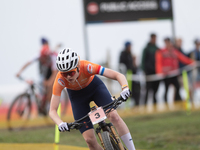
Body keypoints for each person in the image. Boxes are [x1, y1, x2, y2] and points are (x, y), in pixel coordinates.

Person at [49, 48, 136, 150]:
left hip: (95, 88)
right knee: (89, 141)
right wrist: (60, 123)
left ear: (77, 67)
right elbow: (52, 110)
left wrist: (125, 88)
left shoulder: (87, 67)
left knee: (113, 116)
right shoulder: (59, 80)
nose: (68, 77)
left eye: (71, 73)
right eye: (64, 74)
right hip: (77, 98)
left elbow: (118, 75)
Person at [16, 38, 58, 115]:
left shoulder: (53, 57)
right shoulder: (39, 55)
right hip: (45, 68)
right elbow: (28, 63)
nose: (43, 59)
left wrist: (49, 83)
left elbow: (55, 72)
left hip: (53, 69)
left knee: (50, 86)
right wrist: (19, 72)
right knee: (43, 83)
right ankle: (43, 103)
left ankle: (50, 107)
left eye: (44, 58)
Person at [155, 37, 194, 103]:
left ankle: (177, 101)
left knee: (177, 87)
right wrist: (159, 72)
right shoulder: (161, 51)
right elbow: (158, 62)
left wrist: (192, 62)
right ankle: (166, 103)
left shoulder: (174, 51)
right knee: (166, 89)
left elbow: (183, 58)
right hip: (166, 74)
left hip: (174, 74)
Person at [119, 41, 140, 106]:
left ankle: (134, 105)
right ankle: (127, 106)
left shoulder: (130, 54)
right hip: (127, 75)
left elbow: (133, 66)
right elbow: (122, 66)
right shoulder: (123, 54)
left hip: (132, 75)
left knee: (135, 91)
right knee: (127, 91)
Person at [141, 33, 160, 105]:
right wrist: (144, 70)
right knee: (147, 90)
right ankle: (144, 106)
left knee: (155, 91)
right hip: (148, 73)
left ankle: (155, 106)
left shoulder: (157, 48)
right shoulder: (146, 49)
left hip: (156, 72)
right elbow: (143, 61)